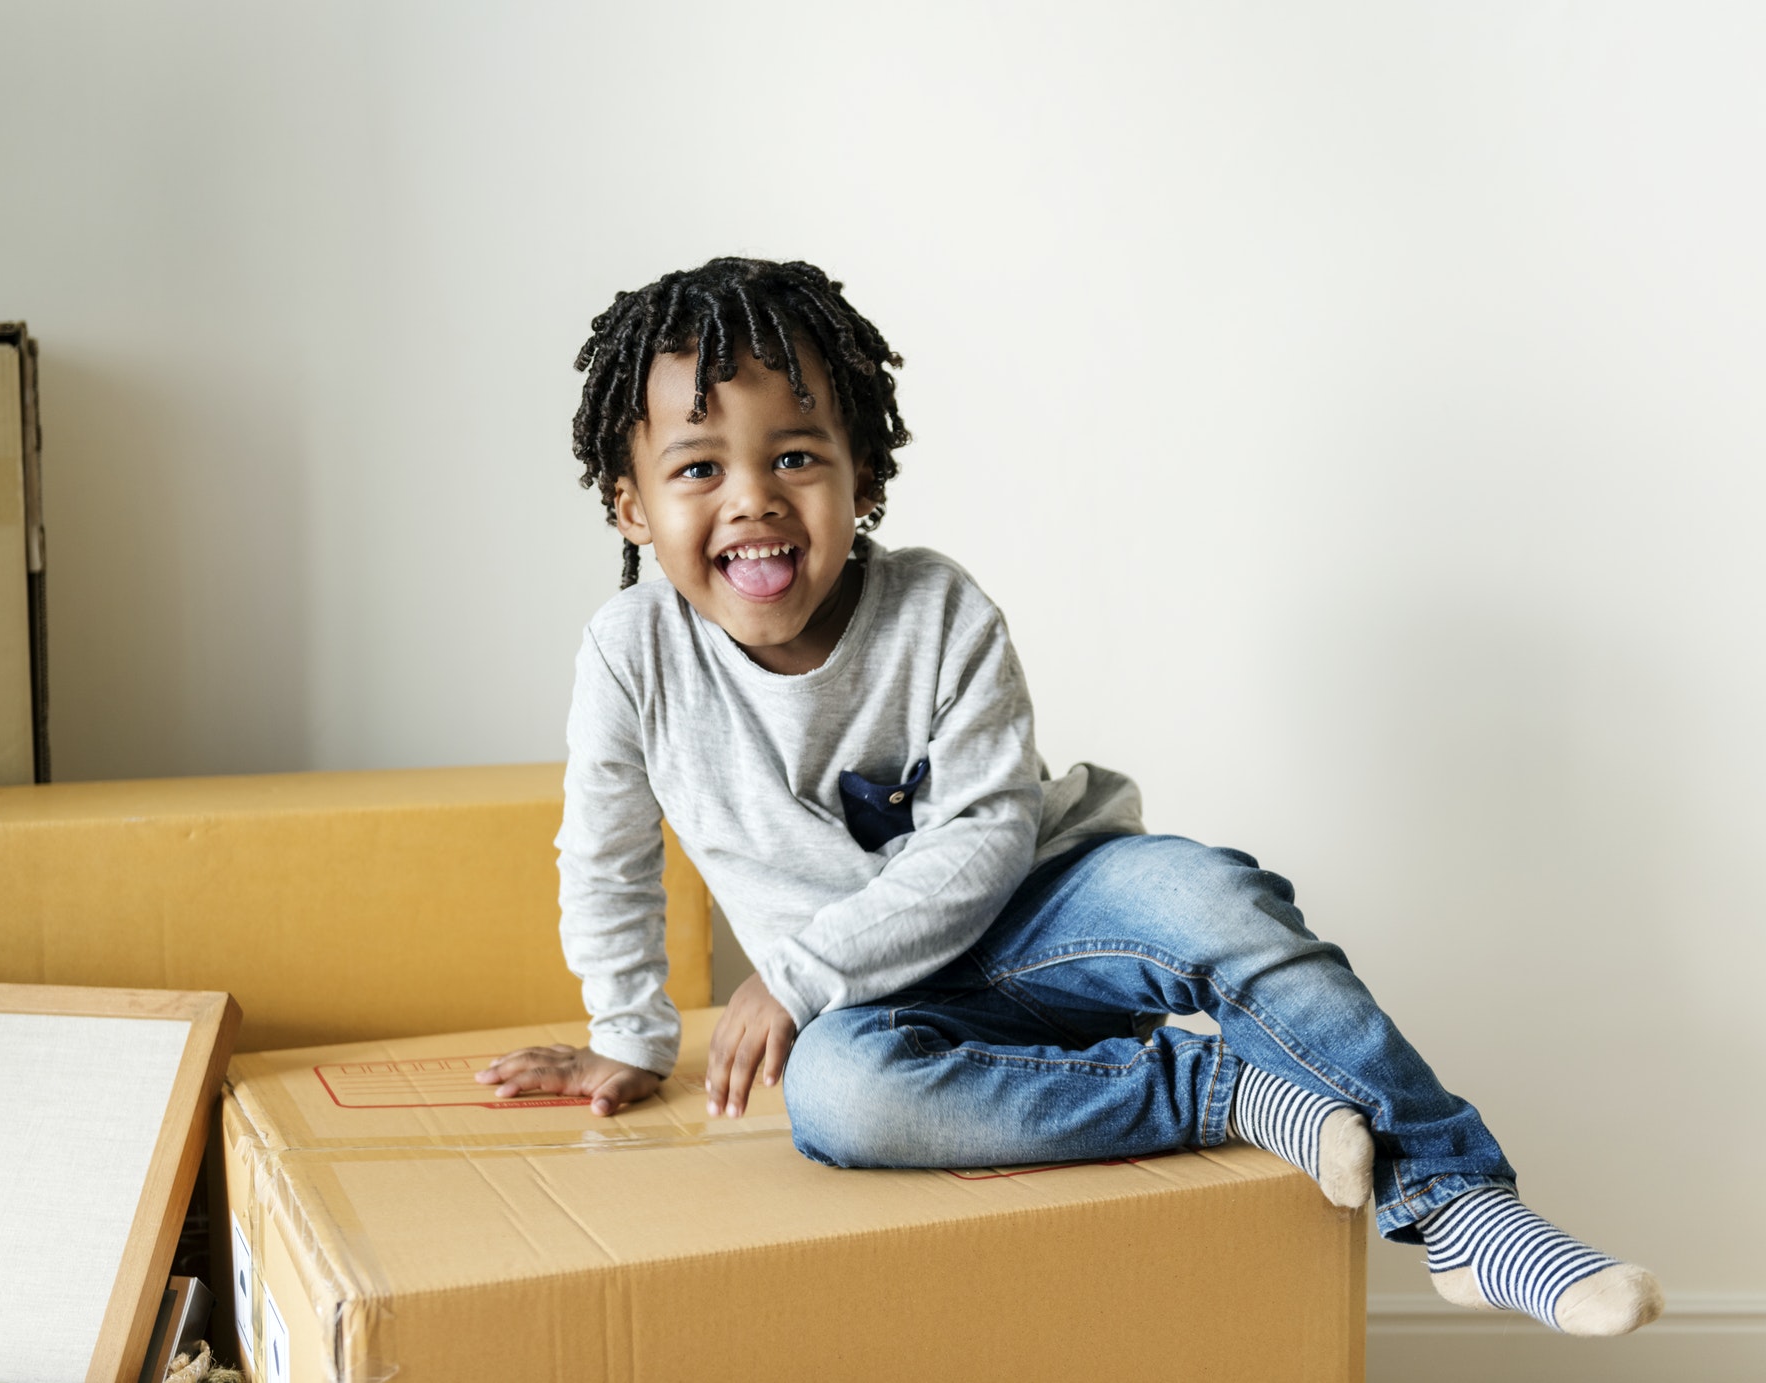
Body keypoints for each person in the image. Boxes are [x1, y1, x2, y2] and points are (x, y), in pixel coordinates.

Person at [475, 257, 1662, 1337]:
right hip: (879, 1003)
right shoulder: (630, 653)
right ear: (631, 508)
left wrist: (792, 973)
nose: (752, 500)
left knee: (1209, 893)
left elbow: (987, 836)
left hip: (1044, 912)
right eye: (697, 468)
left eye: (795, 456)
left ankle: (1455, 1201)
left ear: (865, 476)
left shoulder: (937, 611)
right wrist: (626, 1034)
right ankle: (1230, 1096)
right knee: (839, 1103)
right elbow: (608, 853)